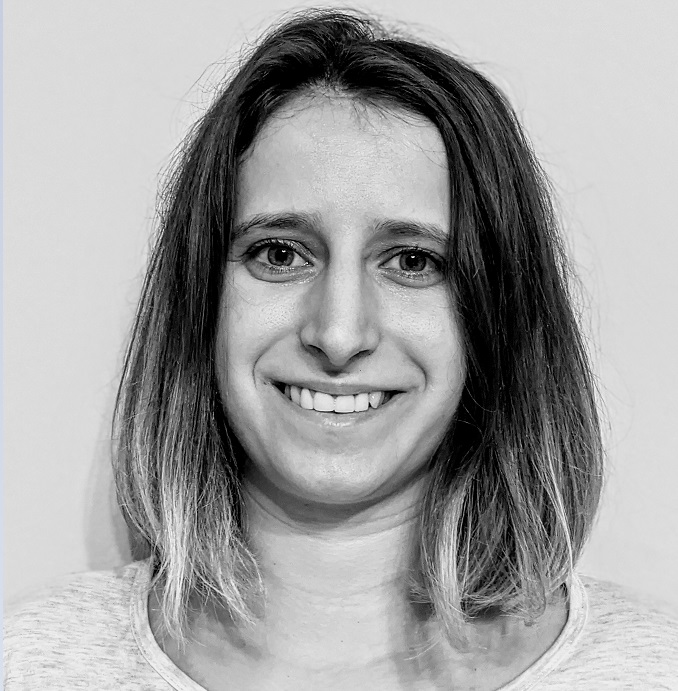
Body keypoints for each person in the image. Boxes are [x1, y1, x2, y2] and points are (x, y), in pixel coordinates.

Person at [4, 8, 677, 690]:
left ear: (497, 317)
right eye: (279, 254)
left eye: (412, 261)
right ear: (201, 302)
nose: (338, 334)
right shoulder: (29, 662)